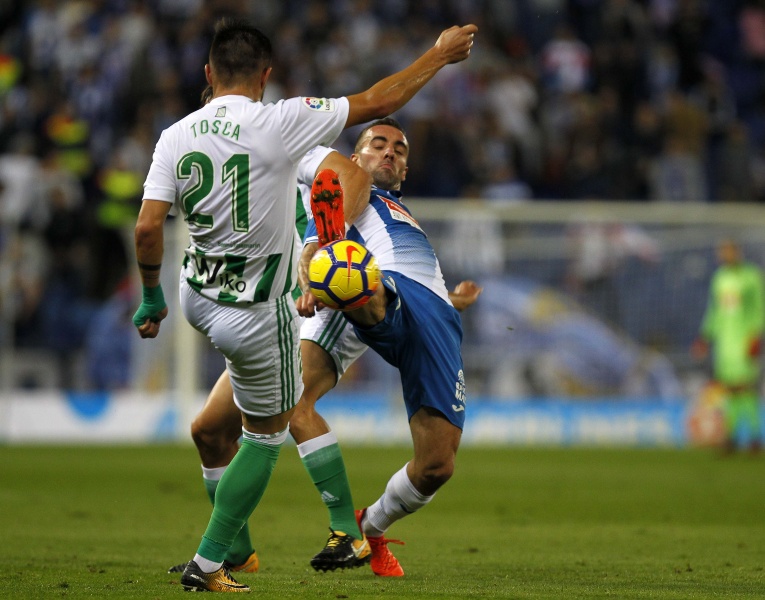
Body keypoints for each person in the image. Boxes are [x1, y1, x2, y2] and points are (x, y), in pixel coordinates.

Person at [133, 17, 477, 593]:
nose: (387, 152)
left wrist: (436, 295)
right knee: (212, 430)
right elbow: (351, 160)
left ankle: (354, 527)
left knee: (433, 461)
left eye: (398, 148)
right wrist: (325, 257)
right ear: (265, 76)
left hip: (298, 297)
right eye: (377, 142)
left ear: (209, 73)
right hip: (296, 299)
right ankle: (242, 551)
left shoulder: (198, 137)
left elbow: (150, 227)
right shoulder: (283, 135)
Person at [692, 239, 764, 453]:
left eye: (729, 251)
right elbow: (714, 311)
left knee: (746, 388)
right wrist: (705, 337)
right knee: (729, 390)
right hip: (725, 343)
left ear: (738, 252)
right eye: (722, 252)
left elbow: (759, 308)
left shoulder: (751, 277)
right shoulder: (720, 278)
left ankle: (754, 436)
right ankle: (731, 436)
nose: (725, 255)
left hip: (744, 341)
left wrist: (756, 336)